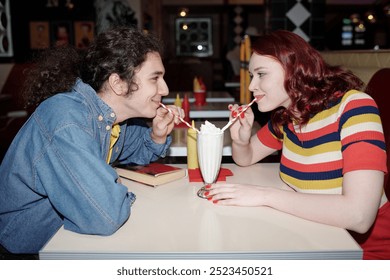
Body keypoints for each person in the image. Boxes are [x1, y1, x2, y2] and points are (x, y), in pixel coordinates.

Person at [206, 30, 389, 259]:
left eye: (261, 74)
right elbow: (246, 158)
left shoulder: (355, 108)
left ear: (294, 69)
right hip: (314, 239)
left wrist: (265, 196)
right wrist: (240, 140)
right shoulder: (288, 118)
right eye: (252, 75)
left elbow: (359, 216)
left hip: (365, 253)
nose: (252, 86)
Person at [0, 27, 183, 255]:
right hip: (27, 248)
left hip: (64, 233)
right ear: (118, 83)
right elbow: (105, 215)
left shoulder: (115, 118)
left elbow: (136, 151)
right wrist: (113, 188)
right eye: (155, 78)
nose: (164, 89)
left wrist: (157, 135)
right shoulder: (67, 122)